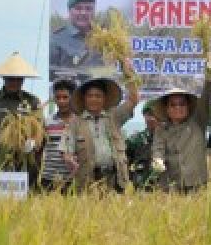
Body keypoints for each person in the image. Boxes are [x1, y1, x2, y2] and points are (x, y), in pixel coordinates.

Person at [64, 59, 141, 192]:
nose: (94, 99)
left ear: (105, 99)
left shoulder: (114, 116)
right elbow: (66, 149)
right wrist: (69, 159)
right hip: (88, 181)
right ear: (84, 99)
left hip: (115, 179)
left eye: (98, 96)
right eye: (90, 96)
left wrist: (128, 74)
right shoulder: (75, 123)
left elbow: (133, 99)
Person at [150, 57, 211, 192]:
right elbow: (158, 149)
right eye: (173, 105)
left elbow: (206, 97)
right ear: (167, 109)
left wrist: (209, 77)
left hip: (197, 185)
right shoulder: (161, 130)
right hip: (171, 186)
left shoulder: (198, 121)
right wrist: (158, 160)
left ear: (188, 106)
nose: (177, 108)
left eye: (182, 104)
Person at [0, 52, 42, 186]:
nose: (15, 82)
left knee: (25, 201)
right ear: (4, 78)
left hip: (23, 161)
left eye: (19, 79)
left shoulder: (32, 101)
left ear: (23, 79)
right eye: (11, 78)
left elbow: (40, 133)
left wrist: (32, 143)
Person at [50, 0, 104, 73]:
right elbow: (50, 77)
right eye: (78, 8)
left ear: (94, 11)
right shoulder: (56, 40)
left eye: (88, 9)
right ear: (69, 11)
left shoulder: (104, 39)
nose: (83, 13)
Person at [38, 78, 76, 192]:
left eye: (65, 97)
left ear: (73, 98)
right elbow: (39, 149)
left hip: (73, 179)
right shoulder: (47, 122)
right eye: (58, 97)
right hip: (49, 178)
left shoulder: (81, 122)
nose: (61, 101)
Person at [126, 101, 161, 190]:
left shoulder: (170, 139)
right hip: (141, 188)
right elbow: (123, 163)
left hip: (165, 189)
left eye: (156, 114)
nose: (153, 118)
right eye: (149, 115)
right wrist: (132, 178)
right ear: (144, 116)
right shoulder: (135, 140)